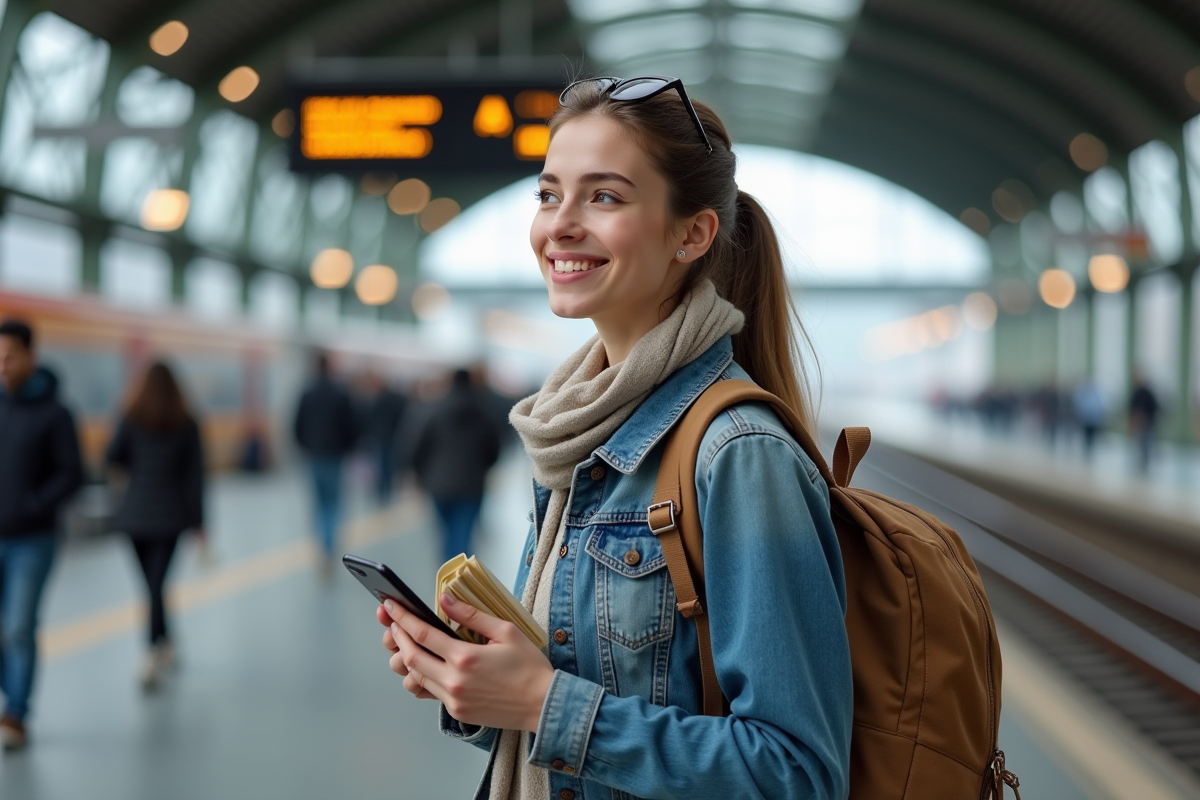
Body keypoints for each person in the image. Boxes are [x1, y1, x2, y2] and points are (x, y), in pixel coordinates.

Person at [376, 76, 851, 800]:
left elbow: (798, 774)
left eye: (604, 196)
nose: (560, 225)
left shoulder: (738, 455)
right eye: (548, 195)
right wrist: (476, 684)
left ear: (692, 234)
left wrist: (543, 704)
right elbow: (582, 691)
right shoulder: (577, 430)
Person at [0, 319, 83, 751]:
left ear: (32, 356)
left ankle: (16, 713)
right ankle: (11, 691)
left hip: (33, 539)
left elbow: (73, 473)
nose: (3, 365)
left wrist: (34, 504)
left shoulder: (56, 413)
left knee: (19, 626)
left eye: (10, 357)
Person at [105, 361, 205, 691]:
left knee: (151, 586)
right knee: (156, 585)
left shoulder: (130, 417)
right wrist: (199, 523)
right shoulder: (187, 423)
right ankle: (153, 649)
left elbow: (112, 456)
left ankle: (163, 642)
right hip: (170, 517)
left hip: (134, 516)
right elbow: (195, 478)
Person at [410, 368, 502, 564]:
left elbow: (420, 444)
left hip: (438, 484)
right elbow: (493, 451)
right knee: (462, 537)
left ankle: (446, 574)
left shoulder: (435, 409)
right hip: (471, 485)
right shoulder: (483, 413)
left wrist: (418, 473)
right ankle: (459, 577)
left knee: (446, 534)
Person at [293, 352, 357, 571]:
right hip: (335, 456)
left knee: (319, 503)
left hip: (314, 455)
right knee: (333, 504)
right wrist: (347, 447)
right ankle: (329, 546)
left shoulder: (306, 393)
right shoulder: (340, 393)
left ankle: (322, 544)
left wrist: (305, 446)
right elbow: (351, 425)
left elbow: (297, 424)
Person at [355, 371, 406, 504]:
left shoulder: (378, 400)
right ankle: (386, 492)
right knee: (387, 467)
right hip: (391, 438)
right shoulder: (396, 400)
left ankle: (382, 493)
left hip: (381, 438)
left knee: (381, 467)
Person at [1128, 372, 1161, 474]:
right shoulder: (1136, 393)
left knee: (1146, 443)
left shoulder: (1148, 394)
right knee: (1140, 443)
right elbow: (1132, 408)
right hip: (1139, 424)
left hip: (1148, 423)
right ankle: (1141, 462)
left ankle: (1145, 462)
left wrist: (1146, 417)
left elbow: (1154, 408)